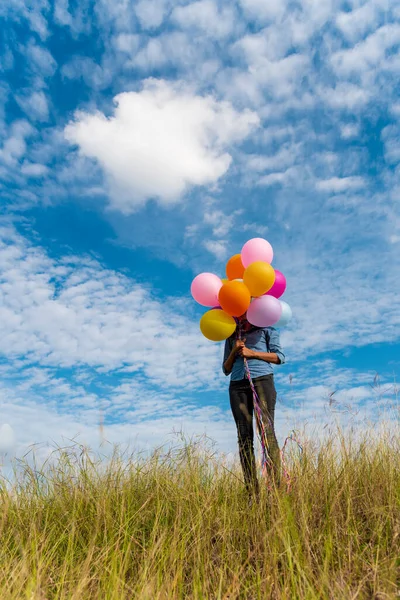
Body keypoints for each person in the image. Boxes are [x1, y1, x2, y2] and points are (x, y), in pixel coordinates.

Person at [223, 313, 285, 499]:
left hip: (262, 380)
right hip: (237, 385)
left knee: (266, 432)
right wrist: (234, 350)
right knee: (244, 437)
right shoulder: (230, 334)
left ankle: (275, 489)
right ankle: (252, 493)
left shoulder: (268, 329)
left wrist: (253, 353)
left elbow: (280, 357)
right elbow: (225, 369)